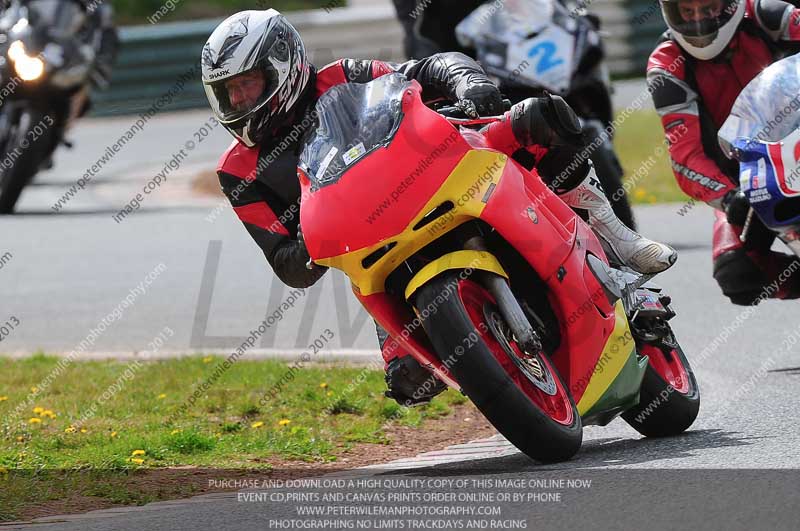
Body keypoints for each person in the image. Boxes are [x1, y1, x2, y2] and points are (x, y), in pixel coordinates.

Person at [202, 9, 675, 406]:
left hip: (431, 179)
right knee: (409, 379)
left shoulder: (343, 76)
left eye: (248, 84)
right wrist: (308, 231)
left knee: (541, 116)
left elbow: (424, 71)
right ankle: (453, 356)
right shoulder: (236, 172)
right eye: (230, 92)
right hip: (374, 252)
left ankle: (618, 240)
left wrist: (466, 82)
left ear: (284, 66)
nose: (240, 100)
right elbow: (287, 265)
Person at [648, 0, 800, 305]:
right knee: (737, 273)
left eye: (708, 9)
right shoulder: (667, 65)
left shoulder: (774, 16)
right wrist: (730, 197)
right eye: (686, 11)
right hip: (750, 180)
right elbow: (685, 156)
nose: (698, 21)